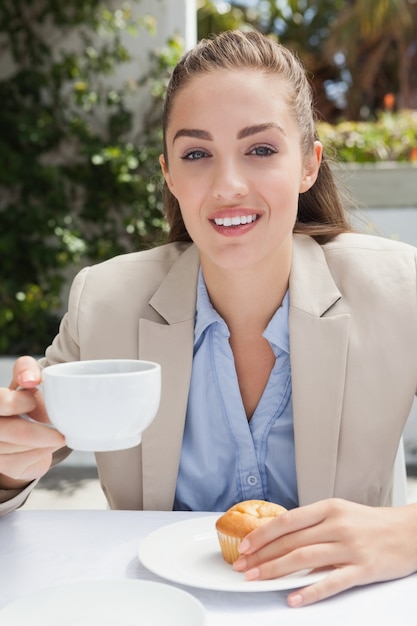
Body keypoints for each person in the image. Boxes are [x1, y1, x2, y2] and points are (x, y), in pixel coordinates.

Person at [1, 29, 417, 607]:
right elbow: (21, 452)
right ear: (169, 174)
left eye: (262, 150)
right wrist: (9, 463)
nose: (228, 186)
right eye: (197, 154)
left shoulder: (401, 290)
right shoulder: (106, 301)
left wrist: (407, 532)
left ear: (308, 165)